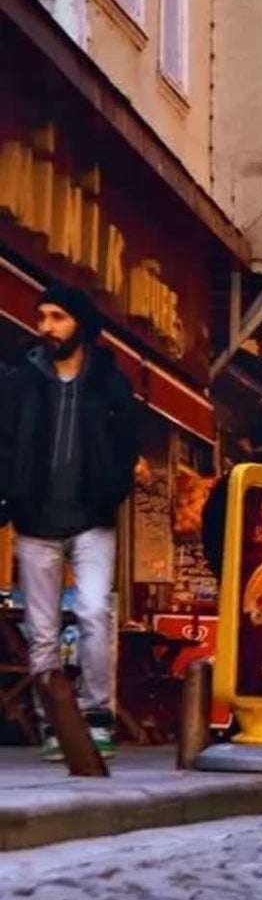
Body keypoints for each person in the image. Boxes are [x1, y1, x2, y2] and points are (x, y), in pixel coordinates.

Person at [0, 281, 138, 758]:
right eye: (42, 317)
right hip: (35, 522)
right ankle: (53, 723)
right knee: (41, 632)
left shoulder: (110, 382)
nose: (46, 327)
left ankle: (97, 715)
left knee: (95, 613)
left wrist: (113, 488)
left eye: (57, 317)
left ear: (81, 321)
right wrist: (10, 496)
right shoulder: (20, 381)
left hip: (91, 520)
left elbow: (127, 445)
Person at [201, 411, 262, 584]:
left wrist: (223, 573)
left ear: (249, 444)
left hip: (236, 581)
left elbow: (210, 527)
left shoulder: (233, 480)